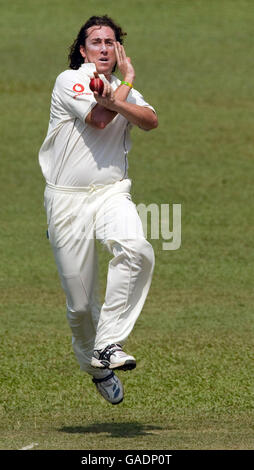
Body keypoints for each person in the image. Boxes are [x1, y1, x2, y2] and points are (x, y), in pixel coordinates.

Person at [39, 15, 158, 405]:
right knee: (79, 305)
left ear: (118, 48)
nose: (104, 48)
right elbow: (100, 118)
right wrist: (123, 87)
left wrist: (122, 91)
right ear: (82, 50)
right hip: (66, 201)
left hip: (110, 194)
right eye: (96, 42)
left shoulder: (123, 88)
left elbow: (150, 121)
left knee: (136, 249)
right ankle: (96, 367)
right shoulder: (70, 80)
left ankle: (109, 343)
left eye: (110, 41)